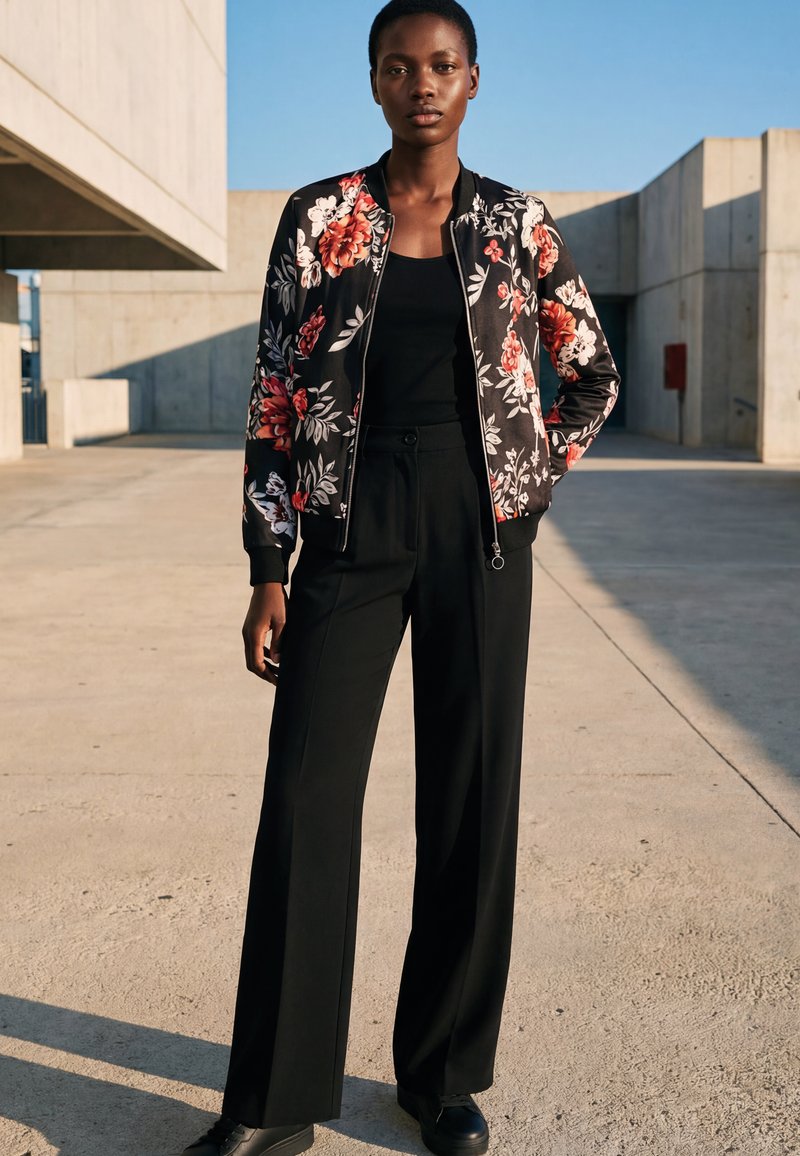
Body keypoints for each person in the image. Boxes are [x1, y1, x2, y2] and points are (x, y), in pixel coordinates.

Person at [181, 1, 620, 1153]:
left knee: (470, 803)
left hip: (479, 532)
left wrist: (527, 480)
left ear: (472, 79)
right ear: (372, 82)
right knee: (307, 799)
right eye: (397, 66)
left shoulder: (515, 224)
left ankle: (439, 1076)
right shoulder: (321, 216)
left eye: (439, 65)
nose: (419, 84)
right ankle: (273, 1101)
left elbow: (590, 370)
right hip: (347, 525)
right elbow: (276, 390)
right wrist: (268, 561)